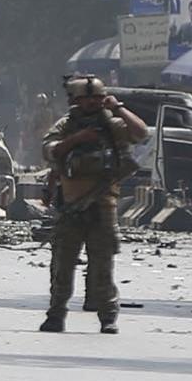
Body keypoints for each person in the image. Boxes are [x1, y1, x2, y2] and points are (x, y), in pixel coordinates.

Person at [39, 76, 147, 334]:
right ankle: (56, 315)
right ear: (76, 101)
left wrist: (117, 107)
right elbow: (49, 150)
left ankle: (108, 317)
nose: (92, 103)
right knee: (63, 265)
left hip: (103, 205)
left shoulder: (112, 125)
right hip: (71, 206)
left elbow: (141, 133)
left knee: (103, 267)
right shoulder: (66, 126)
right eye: (87, 99)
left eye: (97, 98)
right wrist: (77, 140)